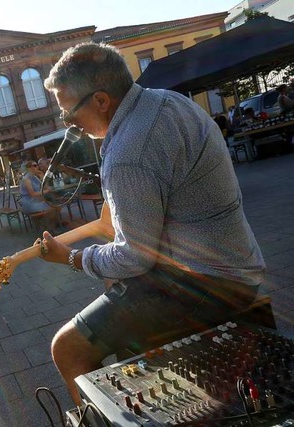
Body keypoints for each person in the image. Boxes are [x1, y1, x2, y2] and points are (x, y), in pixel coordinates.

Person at [28, 42, 264, 406]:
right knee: (115, 288)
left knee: (67, 347)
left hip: (207, 284)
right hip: (238, 264)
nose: (68, 124)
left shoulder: (128, 153)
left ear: (102, 101)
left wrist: (71, 259)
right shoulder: (168, 102)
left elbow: (135, 258)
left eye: (68, 112)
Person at [19, 160, 60, 230]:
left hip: (36, 201)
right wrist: (46, 191)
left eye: (37, 165)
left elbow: (45, 187)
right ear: (29, 168)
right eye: (34, 166)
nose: (37, 167)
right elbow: (32, 194)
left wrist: (42, 177)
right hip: (30, 203)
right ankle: (50, 228)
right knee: (53, 208)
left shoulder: (35, 177)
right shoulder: (26, 179)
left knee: (56, 206)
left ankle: (50, 226)